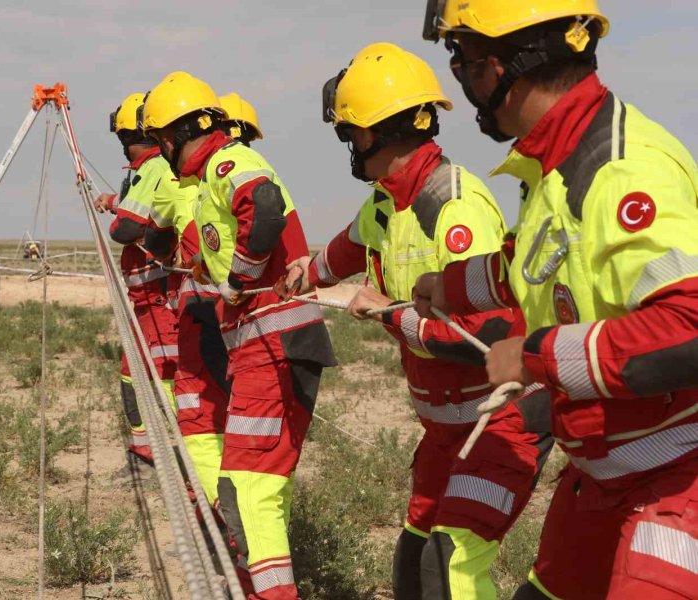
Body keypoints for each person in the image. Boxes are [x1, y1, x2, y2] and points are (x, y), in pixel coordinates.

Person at [415, 2, 698, 598]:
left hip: (675, 481)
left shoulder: (621, 168)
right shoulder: (559, 162)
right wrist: (451, 286)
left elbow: (687, 329)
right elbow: (539, 257)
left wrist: (533, 355)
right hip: (602, 476)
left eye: (464, 61)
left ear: (500, 66)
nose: (464, 82)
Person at [285, 42, 551, 599]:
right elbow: (349, 249)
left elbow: (489, 334)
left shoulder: (451, 206)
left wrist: (386, 313)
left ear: (378, 132)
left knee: (449, 561)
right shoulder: (387, 202)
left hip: (501, 423)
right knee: (414, 552)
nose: (348, 146)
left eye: (349, 133)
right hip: (446, 430)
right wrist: (306, 272)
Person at [141, 71, 336, 599]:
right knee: (255, 493)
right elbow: (233, 239)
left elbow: (264, 209)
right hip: (259, 347)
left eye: (161, 141)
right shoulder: (208, 183)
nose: (161, 152)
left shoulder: (230, 163)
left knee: (247, 490)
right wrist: (210, 271)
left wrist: (239, 279)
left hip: (274, 345)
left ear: (183, 133)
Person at [95, 92, 182, 465]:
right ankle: (144, 449)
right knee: (135, 370)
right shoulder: (145, 172)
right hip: (145, 297)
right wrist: (116, 201)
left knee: (166, 373)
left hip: (159, 295)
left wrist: (120, 216)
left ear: (125, 137)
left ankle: (188, 455)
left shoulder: (155, 168)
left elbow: (126, 228)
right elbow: (137, 212)